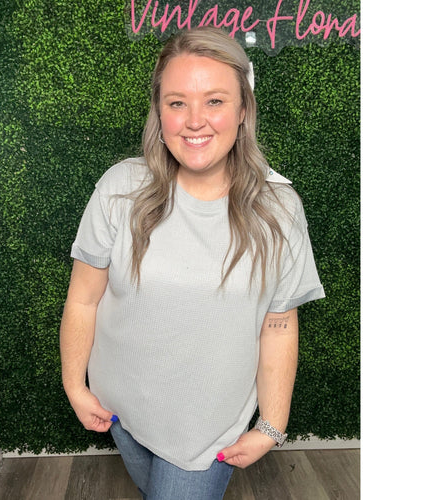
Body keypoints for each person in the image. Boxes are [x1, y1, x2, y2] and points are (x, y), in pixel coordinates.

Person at [60, 26, 325, 500]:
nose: (195, 121)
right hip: (119, 406)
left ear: (243, 110)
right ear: (159, 112)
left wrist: (272, 425)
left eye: (215, 101)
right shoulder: (120, 188)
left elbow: (279, 324)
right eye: (177, 102)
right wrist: (76, 387)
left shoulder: (279, 210)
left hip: (207, 432)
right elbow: (84, 299)